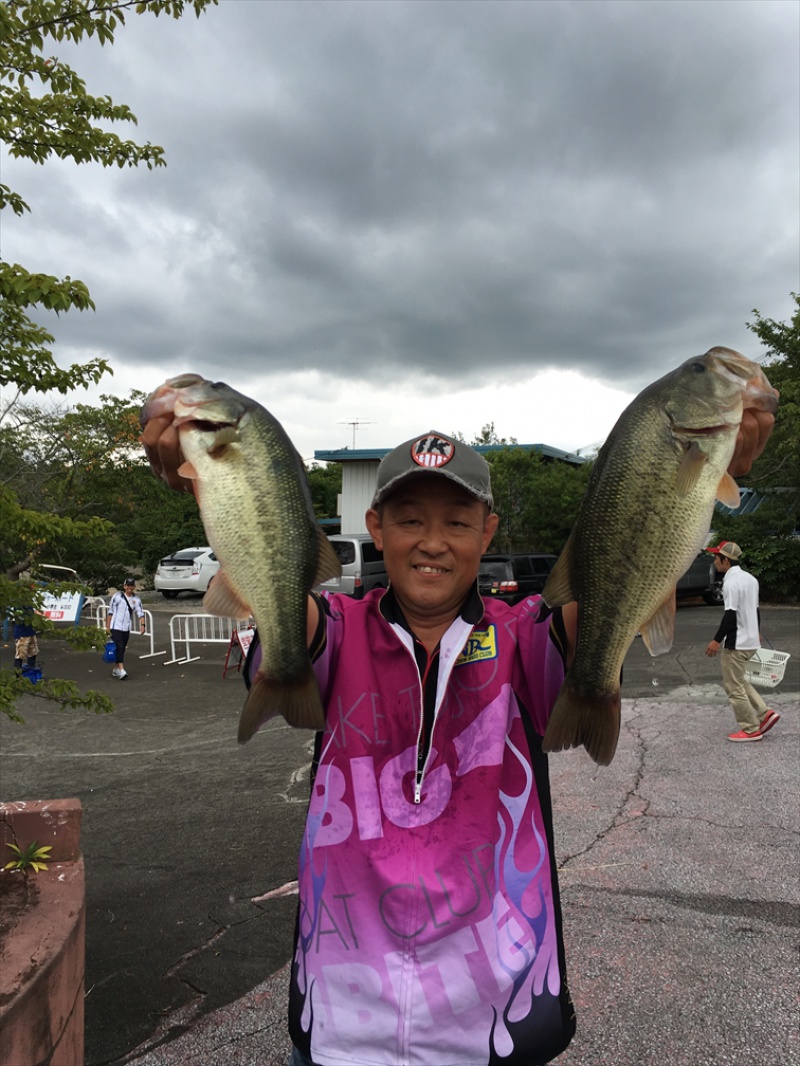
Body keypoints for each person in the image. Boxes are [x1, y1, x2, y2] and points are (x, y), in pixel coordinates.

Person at [141, 399, 773, 1066]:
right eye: (409, 520)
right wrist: (218, 488)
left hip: (498, 1016)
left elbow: (620, 583)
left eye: (457, 521)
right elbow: (277, 600)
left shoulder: (525, 633)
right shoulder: (337, 627)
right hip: (342, 1018)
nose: (433, 541)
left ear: (488, 531)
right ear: (375, 528)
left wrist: (689, 477)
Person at [704, 541, 779, 742]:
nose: (715, 562)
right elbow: (755, 610)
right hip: (750, 641)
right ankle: (765, 713)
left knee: (733, 686)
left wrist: (716, 640)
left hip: (736, 643)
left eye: (716, 558)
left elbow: (730, 615)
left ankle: (750, 729)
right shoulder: (751, 579)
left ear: (726, 561)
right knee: (740, 680)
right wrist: (756, 631)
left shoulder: (730, 583)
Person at [106, 578, 146, 680]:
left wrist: (143, 625)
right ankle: (122, 670)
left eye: (131, 585)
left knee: (122, 648)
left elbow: (140, 613)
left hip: (126, 627)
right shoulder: (117, 596)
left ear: (134, 587)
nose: (129, 587)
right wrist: (108, 626)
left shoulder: (136, 600)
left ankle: (116, 668)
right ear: (124, 586)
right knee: (119, 646)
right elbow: (110, 611)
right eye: (128, 585)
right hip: (116, 626)